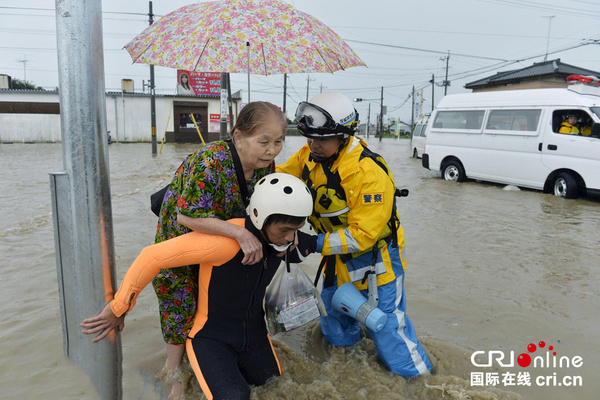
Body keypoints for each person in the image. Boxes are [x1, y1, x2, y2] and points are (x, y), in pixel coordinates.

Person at [81, 173, 318, 400]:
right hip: (212, 339)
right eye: (285, 230)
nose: (290, 238)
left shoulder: (285, 242)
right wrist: (118, 307)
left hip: (255, 337)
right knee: (235, 396)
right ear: (260, 216)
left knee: (275, 387)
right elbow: (151, 257)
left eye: (296, 230)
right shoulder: (226, 243)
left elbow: (319, 243)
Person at [277, 91, 433, 377]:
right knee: (334, 325)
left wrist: (312, 243)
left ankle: (422, 383)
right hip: (336, 262)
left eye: (321, 140)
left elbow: (363, 236)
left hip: (376, 265)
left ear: (344, 136)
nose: (313, 146)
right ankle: (349, 374)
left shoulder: (369, 172)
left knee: (387, 330)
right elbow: (278, 180)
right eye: (309, 139)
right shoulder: (308, 158)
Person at [153, 101, 286, 397]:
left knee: (214, 302)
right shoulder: (211, 161)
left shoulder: (267, 165)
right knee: (180, 302)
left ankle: (218, 352)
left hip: (222, 241)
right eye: (263, 141)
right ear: (238, 137)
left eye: (278, 142)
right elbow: (186, 215)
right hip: (184, 240)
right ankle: (174, 373)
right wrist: (239, 233)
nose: (272, 150)